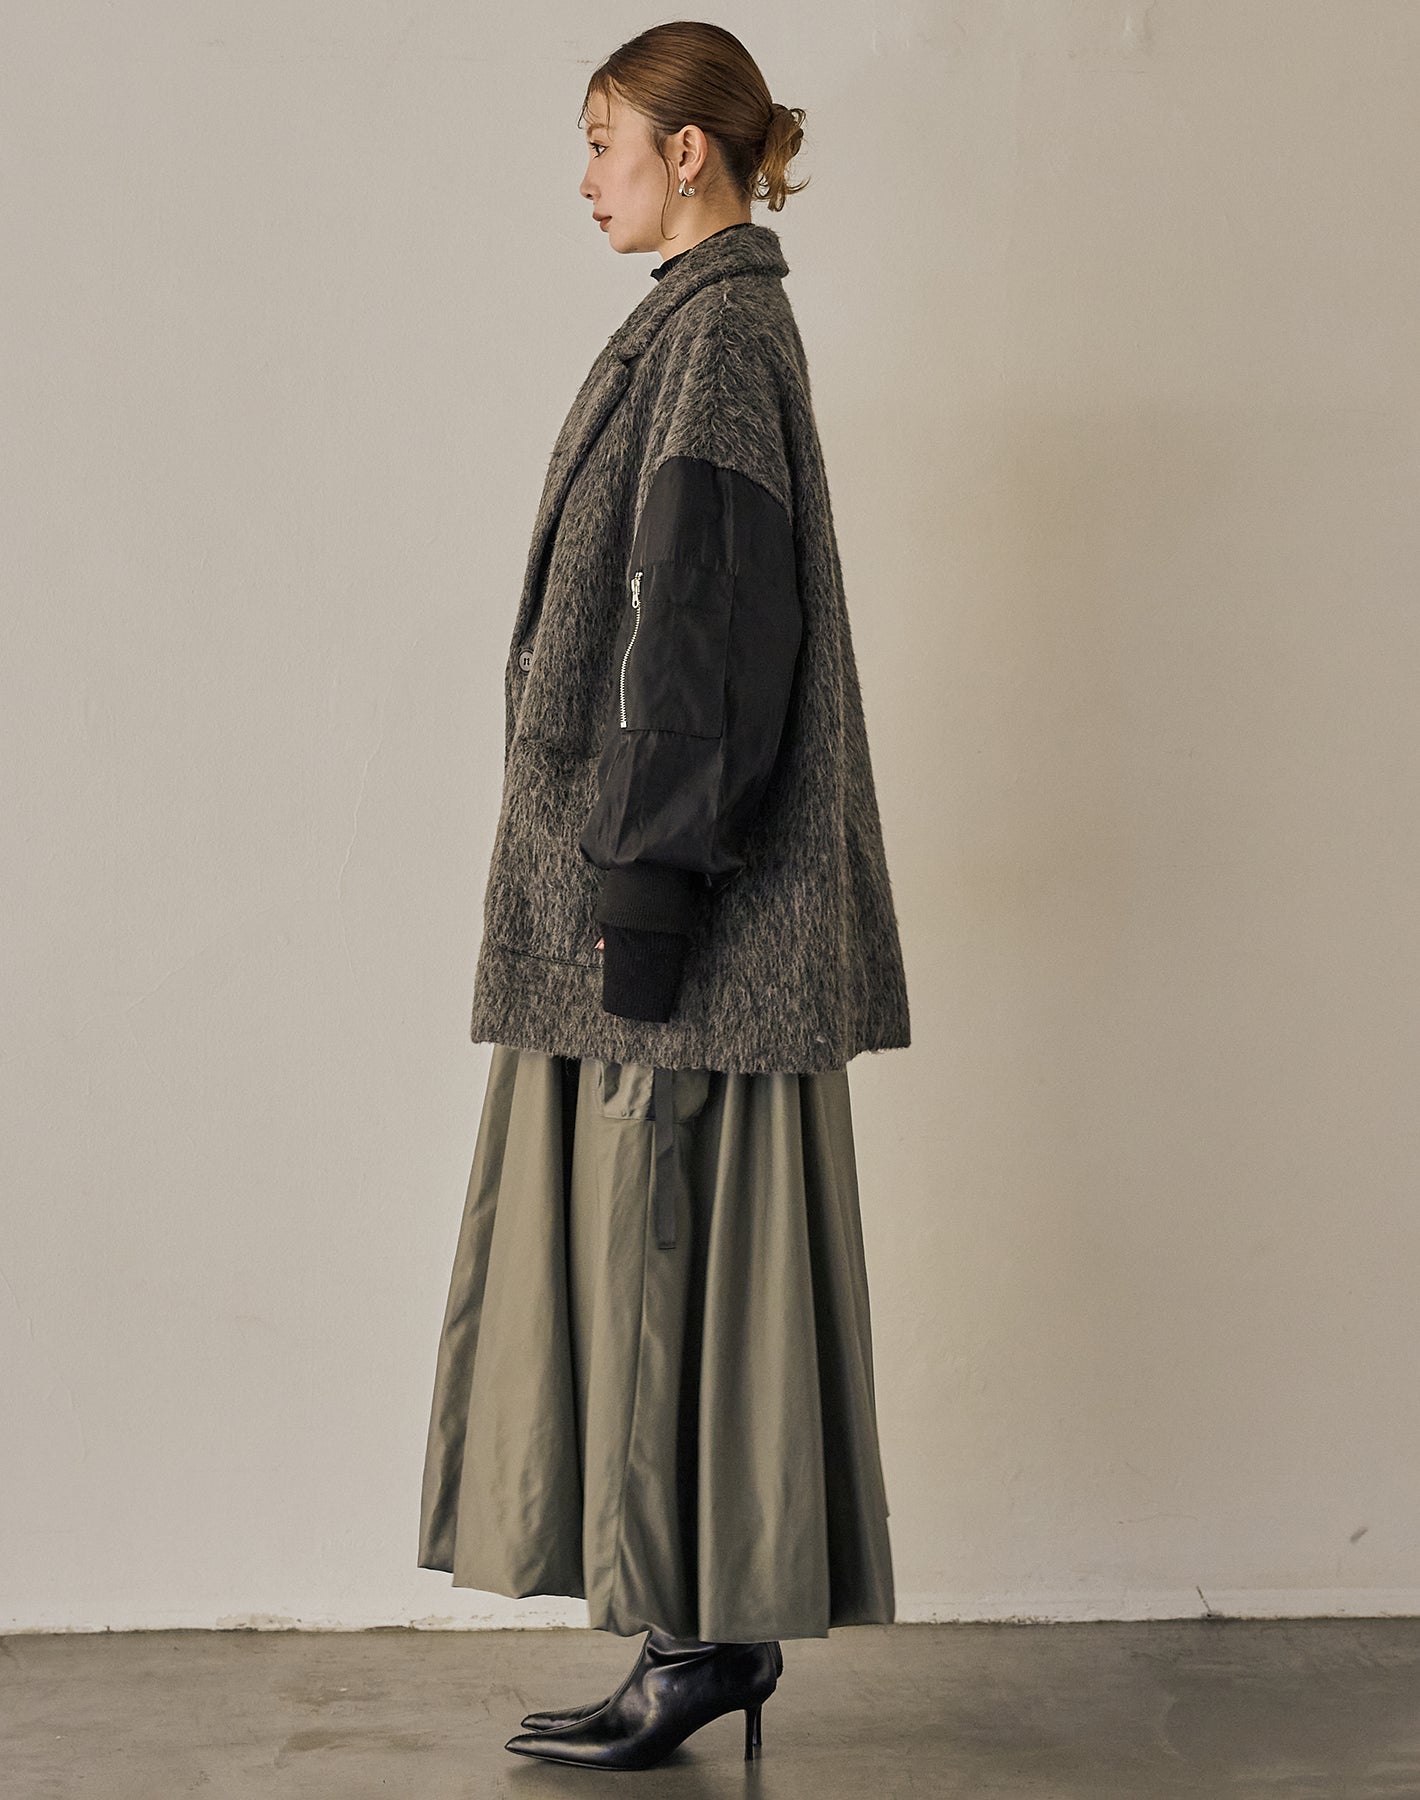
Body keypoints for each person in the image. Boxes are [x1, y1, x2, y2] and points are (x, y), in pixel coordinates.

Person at [417, 20, 911, 1773]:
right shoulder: (712, 328)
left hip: (686, 915)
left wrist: (642, 888)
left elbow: (699, 637)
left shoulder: (712, 342)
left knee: (658, 1262)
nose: (587, 178)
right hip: (685, 899)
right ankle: (700, 1636)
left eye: (604, 140)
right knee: (669, 1266)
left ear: (688, 151)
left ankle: (698, 1647)